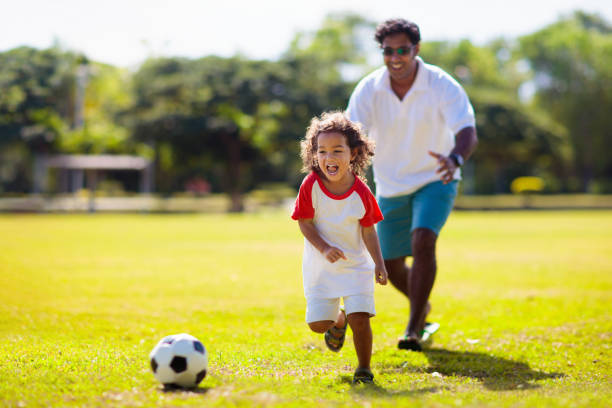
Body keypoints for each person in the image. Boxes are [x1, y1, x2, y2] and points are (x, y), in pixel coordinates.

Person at [347, 18, 478, 351]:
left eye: (402, 49)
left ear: (416, 49)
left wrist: (455, 159)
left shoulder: (441, 84)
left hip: (437, 177)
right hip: (390, 185)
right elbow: (351, 136)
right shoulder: (369, 88)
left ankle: (414, 327)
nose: (395, 57)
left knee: (422, 240)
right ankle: (424, 306)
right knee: (389, 264)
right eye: (388, 51)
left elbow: (466, 131)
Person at [291, 111, 388, 384]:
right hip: (321, 267)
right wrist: (323, 248)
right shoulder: (310, 185)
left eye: (337, 150)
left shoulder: (362, 192)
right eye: (322, 151)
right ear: (314, 154)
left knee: (362, 317)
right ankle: (338, 320)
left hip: (356, 265)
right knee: (317, 325)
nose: (329, 158)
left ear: (354, 154)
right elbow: (305, 223)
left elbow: (369, 230)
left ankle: (364, 368)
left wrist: (379, 264)